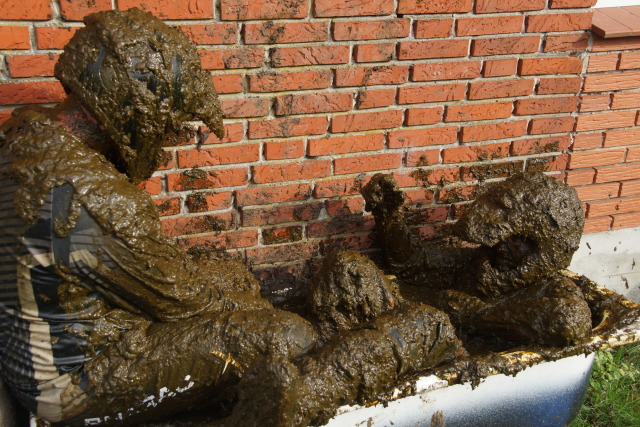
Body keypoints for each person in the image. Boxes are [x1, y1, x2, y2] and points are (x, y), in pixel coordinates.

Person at [0, 9, 461, 426]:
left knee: (228, 275)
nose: (167, 140)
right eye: (165, 125)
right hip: (71, 385)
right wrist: (258, 319)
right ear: (127, 110)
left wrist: (232, 288)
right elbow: (188, 305)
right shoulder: (94, 200)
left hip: (47, 338)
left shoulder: (27, 133)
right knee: (287, 335)